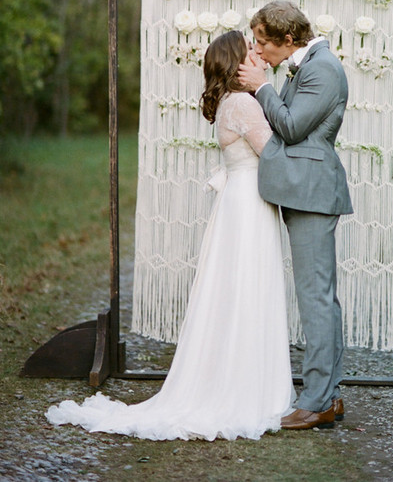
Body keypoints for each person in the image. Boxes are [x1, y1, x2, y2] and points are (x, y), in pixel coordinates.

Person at [46, 30, 293, 441]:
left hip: (242, 202)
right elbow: (276, 153)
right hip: (248, 207)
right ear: (236, 61)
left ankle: (240, 378)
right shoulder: (245, 106)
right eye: (249, 48)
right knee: (247, 288)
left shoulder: (233, 103)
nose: (257, 52)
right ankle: (247, 390)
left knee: (239, 290)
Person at [238, 0, 352, 430]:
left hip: (314, 194)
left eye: (264, 42)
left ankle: (318, 399)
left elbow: (290, 127)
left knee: (316, 299)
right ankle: (330, 395)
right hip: (303, 191)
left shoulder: (323, 68)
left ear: (289, 39)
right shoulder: (306, 64)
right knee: (321, 297)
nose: (259, 50)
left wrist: (261, 86)